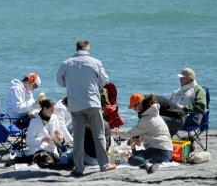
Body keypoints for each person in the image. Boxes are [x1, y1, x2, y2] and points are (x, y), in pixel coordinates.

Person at [56, 40, 116, 175]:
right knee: (99, 135)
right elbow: (103, 81)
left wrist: (72, 82)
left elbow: (60, 82)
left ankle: (79, 167)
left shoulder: (66, 63)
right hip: (92, 103)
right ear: (87, 48)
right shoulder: (95, 62)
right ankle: (104, 165)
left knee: (78, 137)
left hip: (75, 105)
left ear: (76, 48)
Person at [112, 94, 173, 174]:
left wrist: (114, 132)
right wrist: (138, 139)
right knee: (136, 154)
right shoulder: (154, 115)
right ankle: (151, 162)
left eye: (134, 107)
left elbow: (128, 134)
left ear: (140, 105)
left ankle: (148, 165)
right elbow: (152, 133)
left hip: (160, 151)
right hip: (166, 151)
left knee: (132, 159)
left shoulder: (147, 119)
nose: (134, 109)